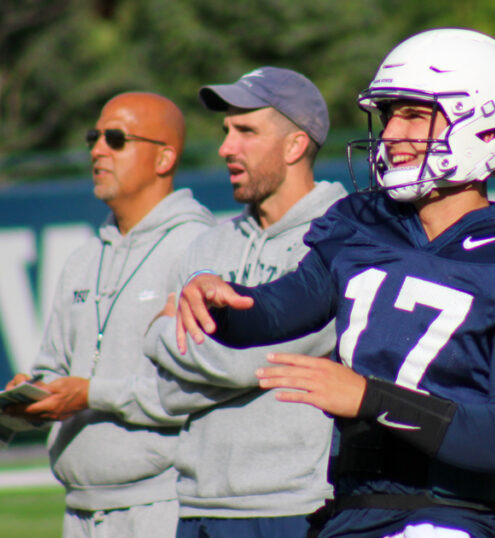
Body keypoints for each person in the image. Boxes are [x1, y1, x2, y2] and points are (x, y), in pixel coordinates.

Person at [175, 28, 495, 538]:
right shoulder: (363, 224)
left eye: (414, 114)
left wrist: (371, 398)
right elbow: (276, 310)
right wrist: (219, 302)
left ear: (487, 123)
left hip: (452, 517)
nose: (393, 133)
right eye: (388, 115)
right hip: (350, 513)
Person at [143, 67, 347, 537]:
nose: (225, 148)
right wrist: (191, 354)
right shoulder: (206, 247)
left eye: (246, 132)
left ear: (295, 146)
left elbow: (252, 361)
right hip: (197, 507)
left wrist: (160, 332)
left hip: (294, 506)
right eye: (225, 131)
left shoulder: (340, 239)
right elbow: (166, 393)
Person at [5, 92, 216, 537]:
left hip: (163, 507)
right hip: (78, 511)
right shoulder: (82, 258)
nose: (97, 149)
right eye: (93, 137)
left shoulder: (200, 250)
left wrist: (91, 394)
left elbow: (199, 388)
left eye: (116, 138)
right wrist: (33, 390)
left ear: (164, 158)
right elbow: (54, 364)